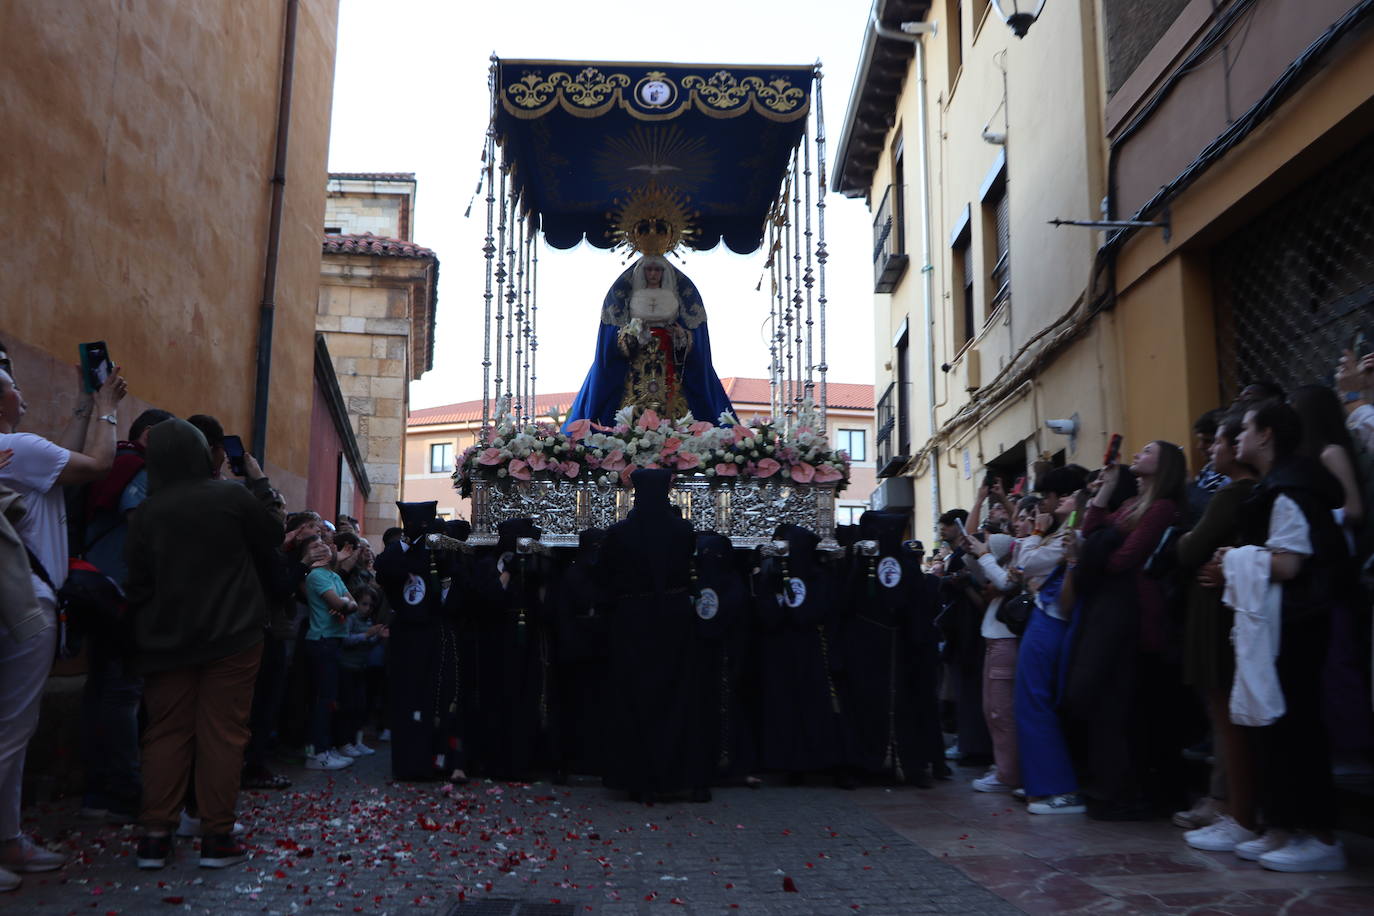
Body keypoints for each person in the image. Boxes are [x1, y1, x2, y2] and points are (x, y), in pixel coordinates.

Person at [124, 418, 283, 871]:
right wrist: (260, 482)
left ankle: (154, 835)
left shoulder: (149, 510)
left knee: (166, 732)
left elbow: (135, 580)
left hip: (165, 639)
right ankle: (216, 835)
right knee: (224, 733)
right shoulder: (230, 497)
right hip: (232, 634)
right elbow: (272, 535)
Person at [0, 359, 126, 888]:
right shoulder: (19, 449)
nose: (21, 393)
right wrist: (108, 411)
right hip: (26, 601)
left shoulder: (19, 454)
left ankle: (8, 842)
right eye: (11, 386)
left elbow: (62, 457)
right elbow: (96, 464)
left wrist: (83, 405)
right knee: (11, 730)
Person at [1069, 440, 1188, 821]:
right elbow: (1089, 529)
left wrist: (1092, 557)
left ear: (1165, 464)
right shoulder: (1130, 505)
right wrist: (1104, 489)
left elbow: (1122, 558)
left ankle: (1135, 791)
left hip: (1137, 613)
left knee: (1131, 708)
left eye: (1148, 451)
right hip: (1114, 611)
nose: (1138, 453)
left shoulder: (1161, 507)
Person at [78, 408, 174, 825]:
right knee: (122, 693)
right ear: (151, 436)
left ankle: (98, 790)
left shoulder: (108, 460)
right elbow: (143, 531)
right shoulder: (139, 469)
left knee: (101, 690)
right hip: (125, 594)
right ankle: (121, 790)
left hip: (95, 587)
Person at [1173, 412, 1260, 851]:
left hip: (1218, 611)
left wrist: (1194, 543)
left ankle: (1233, 808)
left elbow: (1190, 547)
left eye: (1220, 440)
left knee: (1224, 714)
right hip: (1227, 606)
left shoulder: (1232, 495)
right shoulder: (1241, 493)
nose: (1210, 449)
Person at [599, 469, 708, 801]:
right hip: (674, 621)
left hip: (632, 621)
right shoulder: (683, 530)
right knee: (675, 695)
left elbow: (606, 578)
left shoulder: (619, 533)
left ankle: (638, 777)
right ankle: (676, 775)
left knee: (636, 695)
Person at [563, 255, 734, 428]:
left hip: (667, 360)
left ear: (664, 272)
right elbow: (613, 343)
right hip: (637, 362)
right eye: (649, 269)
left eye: (657, 269)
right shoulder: (632, 296)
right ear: (642, 272)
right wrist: (631, 336)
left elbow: (692, 342)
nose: (653, 274)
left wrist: (681, 336)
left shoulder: (673, 295)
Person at [301, 536, 357, 771]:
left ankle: (326, 746)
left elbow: (351, 604)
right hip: (322, 640)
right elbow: (342, 603)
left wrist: (344, 603)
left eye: (323, 543)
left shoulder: (333, 576)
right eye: (315, 545)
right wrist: (344, 603)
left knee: (331, 698)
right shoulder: (316, 576)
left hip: (334, 641)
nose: (324, 546)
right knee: (322, 700)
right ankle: (316, 753)